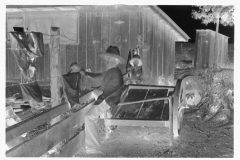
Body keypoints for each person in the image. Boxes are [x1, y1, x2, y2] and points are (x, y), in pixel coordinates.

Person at [80, 46, 125, 154]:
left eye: (109, 59)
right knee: (95, 92)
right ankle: (107, 113)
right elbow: (100, 77)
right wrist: (87, 74)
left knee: (89, 117)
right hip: (113, 97)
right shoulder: (114, 70)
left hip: (109, 100)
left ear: (116, 60)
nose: (107, 61)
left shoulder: (113, 71)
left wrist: (86, 74)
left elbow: (99, 78)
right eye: (107, 59)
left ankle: (93, 147)